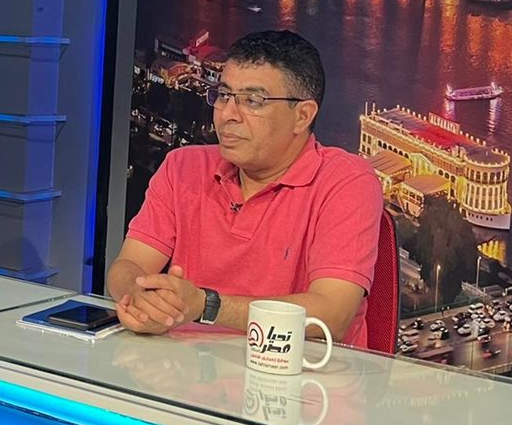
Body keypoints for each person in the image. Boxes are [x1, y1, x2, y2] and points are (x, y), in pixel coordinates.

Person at [106, 30, 383, 348]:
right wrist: (140, 298)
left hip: (299, 374)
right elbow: (128, 266)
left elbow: (331, 315)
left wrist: (206, 306)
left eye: (252, 101)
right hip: (184, 366)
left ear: (302, 116)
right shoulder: (182, 167)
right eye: (223, 95)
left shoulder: (346, 181)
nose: (227, 115)